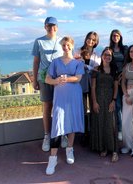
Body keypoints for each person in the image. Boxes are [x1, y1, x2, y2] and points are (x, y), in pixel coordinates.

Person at [45, 36, 85, 175]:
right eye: (63, 45)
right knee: (57, 124)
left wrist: (65, 78)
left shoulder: (78, 63)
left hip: (74, 96)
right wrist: (56, 81)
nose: (65, 47)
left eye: (68, 45)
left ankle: (69, 149)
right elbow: (47, 79)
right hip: (60, 98)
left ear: (72, 46)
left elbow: (78, 78)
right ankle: (53, 158)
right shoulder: (55, 62)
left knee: (72, 121)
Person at [32, 17, 68, 152]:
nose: (51, 28)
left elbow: (68, 57)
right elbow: (36, 62)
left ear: (57, 27)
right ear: (45, 27)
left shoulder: (62, 42)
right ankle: (47, 136)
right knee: (47, 106)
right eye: (48, 25)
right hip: (43, 78)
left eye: (53, 25)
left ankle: (63, 133)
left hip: (59, 79)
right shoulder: (39, 41)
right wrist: (34, 80)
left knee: (61, 106)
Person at [90, 47, 119, 162]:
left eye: (109, 55)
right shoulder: (96, 69)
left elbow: (116, 86)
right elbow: (93, 87)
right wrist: (94, 102)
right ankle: (104, 147)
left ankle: (114, 150)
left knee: (111, 124)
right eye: (105, 55)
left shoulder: (114, 70)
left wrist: (114, 100)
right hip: (98, 100)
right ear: (102, 56)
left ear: (112, 58)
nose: (107, 57)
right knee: (100, 123)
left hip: (109, 100)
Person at [77, 32, 101, 145]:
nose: (90, 41)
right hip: (80, 84)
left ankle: (93, 133)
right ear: (86, 39)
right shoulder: (78, 51)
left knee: (92, 109)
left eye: (93, 39)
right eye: (89, 38)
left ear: (96, 41)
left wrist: (86, 66)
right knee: (81, 110)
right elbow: (75, 65)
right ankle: (82, 134)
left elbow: (96, 70)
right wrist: (89, 68)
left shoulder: (97, 54)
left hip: (92, 84)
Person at [109, 29, 128, 141]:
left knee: (125, 104)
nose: (115, 37)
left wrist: (123, 75)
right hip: (113, 80)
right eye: (113, 35)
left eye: (117, 35)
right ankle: (119, 129)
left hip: (124, 79)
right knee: (118, 105)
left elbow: (127, 63)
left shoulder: (124, 49)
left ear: (120, 37)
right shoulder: (109, 49)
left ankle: (125, 128)